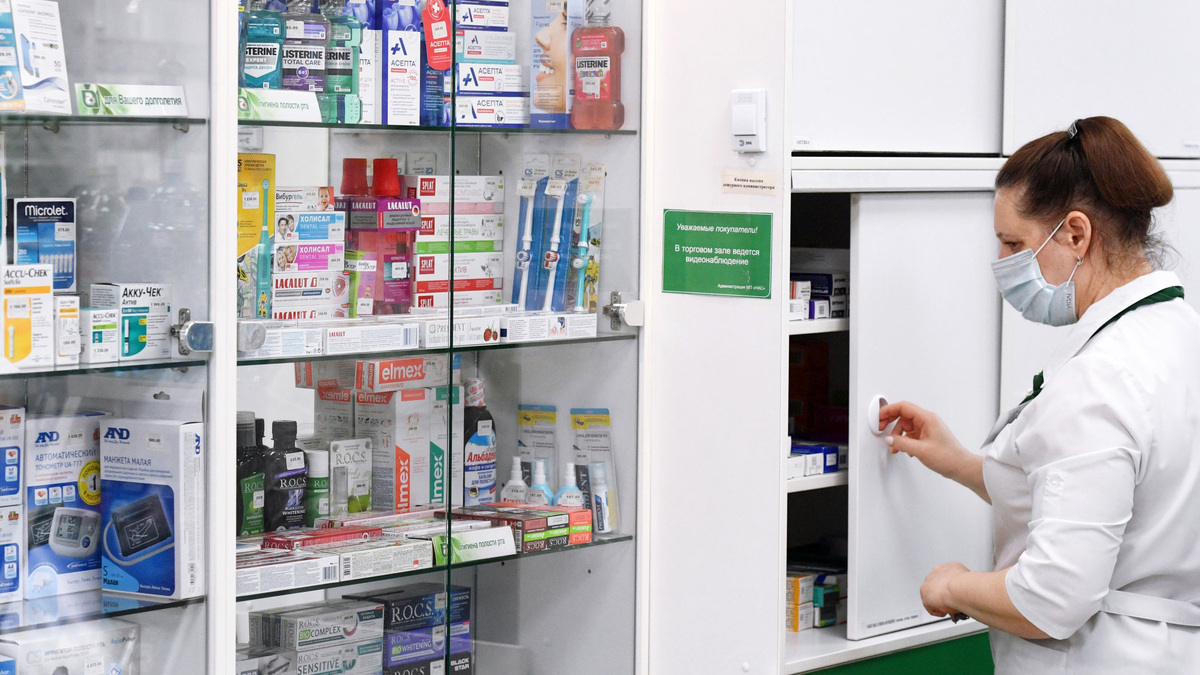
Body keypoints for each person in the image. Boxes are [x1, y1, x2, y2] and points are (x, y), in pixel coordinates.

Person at [880, 116, 1200, 672]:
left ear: (1076, 235)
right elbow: (1109, 495)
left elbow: (1051, 598)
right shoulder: (1178, 333)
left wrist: (953, 586)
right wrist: (962, 464)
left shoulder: (1100, 380)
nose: (1004, 264)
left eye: (1014, 243)